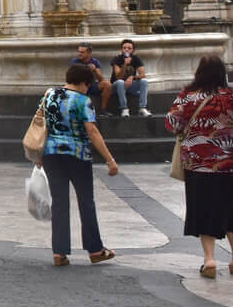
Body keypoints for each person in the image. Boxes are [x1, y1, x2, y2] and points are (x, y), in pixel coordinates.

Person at [167, 54, 233, 277]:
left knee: (203, 208)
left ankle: (209, 261)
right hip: (232, 164)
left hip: (198, 164)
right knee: (232, 209)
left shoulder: (187, 97)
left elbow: (171, 123)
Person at [37, 63, 119, 267]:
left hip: (51, 154)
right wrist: (110, 159)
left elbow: (41, 122)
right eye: (87, 85)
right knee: (86, 202)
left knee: (60, 203)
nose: (86, 89)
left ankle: (59, 252)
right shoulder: (83, 101)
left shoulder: (50, 94)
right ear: (84, 83)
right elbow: (92, 131)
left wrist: (38, 152)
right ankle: (95, 250)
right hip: (77, 155)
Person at [110, 38, 151, 117]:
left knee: (144, 81)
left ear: (133, 50)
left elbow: (143, 74)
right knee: (120, 82)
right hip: (117, 87)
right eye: (124, 48)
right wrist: (125, 64)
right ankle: (124, 108)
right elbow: (119, 76)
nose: (126, 50)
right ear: (121, 50)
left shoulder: (136, 58)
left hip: (130, 85)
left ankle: (142, 108)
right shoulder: (116, 59)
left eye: (129, 48)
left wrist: (132, 77)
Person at [73, 43, 113, 111]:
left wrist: (95, 70)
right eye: (79, 52)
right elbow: (74, 77)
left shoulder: (95, 62)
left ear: (89, 53)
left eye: (82, 52)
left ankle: (103, 109)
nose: (79, 54)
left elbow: (101, 79)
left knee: (107, 84)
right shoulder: (75, 61)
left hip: (92, 85)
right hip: (79, 85)